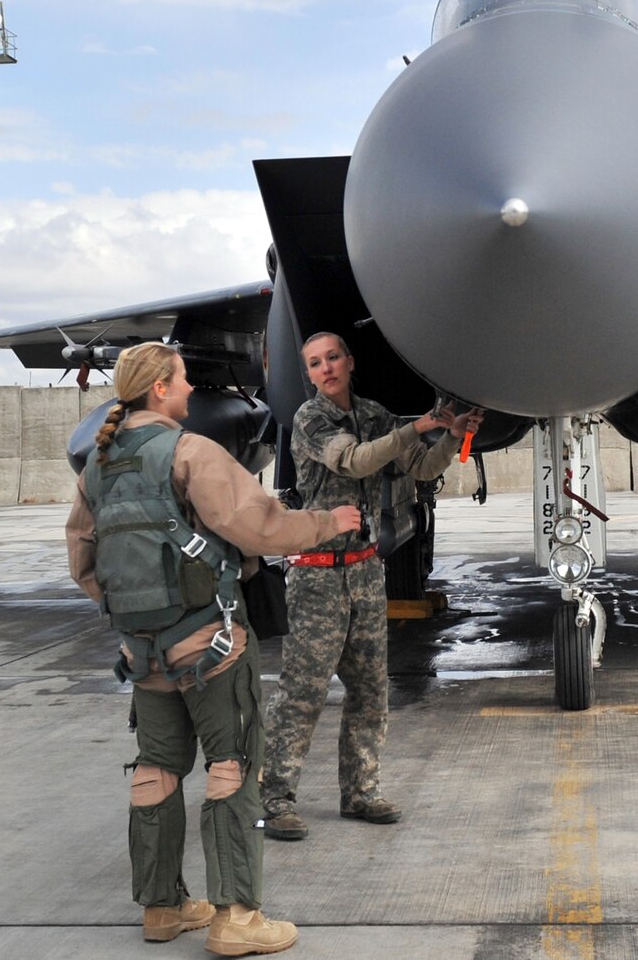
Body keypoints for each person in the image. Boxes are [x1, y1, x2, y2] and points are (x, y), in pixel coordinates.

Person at [66, 342, 361, 956]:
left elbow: (84, 563)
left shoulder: (96, 467)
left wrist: (138, 617)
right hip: (212, 646)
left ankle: (163, 908)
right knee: (232, 768)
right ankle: (237, 919)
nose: (192, 391)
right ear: (159, 390)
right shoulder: (190, 451)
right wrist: (328, 522)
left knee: (154, 771)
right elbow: (260, 526)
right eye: (182, 381)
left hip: (142, 653)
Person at [260, 331, 478, 842]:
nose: (326, 369)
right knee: (302, 694)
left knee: (370, 691)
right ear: (309, 374)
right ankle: (276, 798)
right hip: (317, 575)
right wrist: (418, 426)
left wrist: (450, 435)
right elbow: (357, 460)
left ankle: (360, 792)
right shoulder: (310, 421)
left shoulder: (376, 415)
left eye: (333, 358)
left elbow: (420, 467)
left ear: (349, 362)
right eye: (315, 363)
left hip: (364, 570)